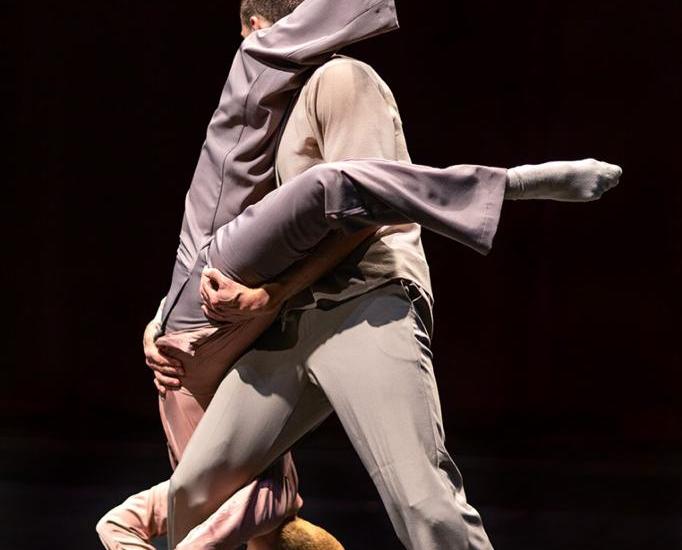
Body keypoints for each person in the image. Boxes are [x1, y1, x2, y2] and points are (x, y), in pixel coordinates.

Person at [146, 6, 623, 550]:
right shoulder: (272, 114)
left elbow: (366, 207)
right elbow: (224, 233)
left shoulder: (341, 78)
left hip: (362, 301)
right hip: (289, 320)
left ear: (257, 28)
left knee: (422, 502)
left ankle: (513, 184)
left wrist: (273, 293)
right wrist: (163, 320)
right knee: (195, 490)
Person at [96, 0, 402, 548]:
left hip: (195, 326)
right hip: (203, 329)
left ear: (255, 27)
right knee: (322, 191)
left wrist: (162, 320)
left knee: (303, 182)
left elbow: (119, 526)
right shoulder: (274, 497)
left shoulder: (265, 494)